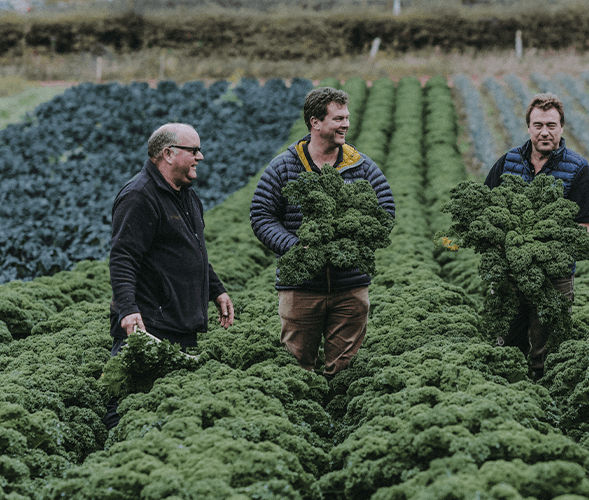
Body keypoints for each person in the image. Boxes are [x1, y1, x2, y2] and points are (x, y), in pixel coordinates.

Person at [250, 87, 395, 380]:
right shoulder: (284, 167)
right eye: (338, 118)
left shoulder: (361, 166)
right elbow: (262, 216)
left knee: (344, 370)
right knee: (296, 367)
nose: (346, 125)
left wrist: (351, 242)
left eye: (347, 118)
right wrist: (295, 247)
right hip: (300, 287)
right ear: (315, 122)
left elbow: (386, 210)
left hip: (349, 286)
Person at [107, 123, 235, 428]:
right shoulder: (139, 196)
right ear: (168, 154)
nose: (200, 157)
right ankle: (116, 457)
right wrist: (127, 309)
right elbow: (123, 256)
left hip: (181, 323)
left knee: (172, 409)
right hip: (148, 326)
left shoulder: (187, 196)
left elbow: (191, 251)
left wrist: (216, 290)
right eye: (193, 151)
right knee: (126, 404)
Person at [484, 92, 589, 380]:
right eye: (538, 125)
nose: (545, 132)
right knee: (506, 347)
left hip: (553, 280)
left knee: (546, 354)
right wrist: (505, 245)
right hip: (510, 277)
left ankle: (544, 406)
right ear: (528, 127)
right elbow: (485, 212)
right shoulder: (507, 162)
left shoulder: (578, 170)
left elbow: (583, 229)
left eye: (551, 125)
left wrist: (541, 251)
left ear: (562, 127)